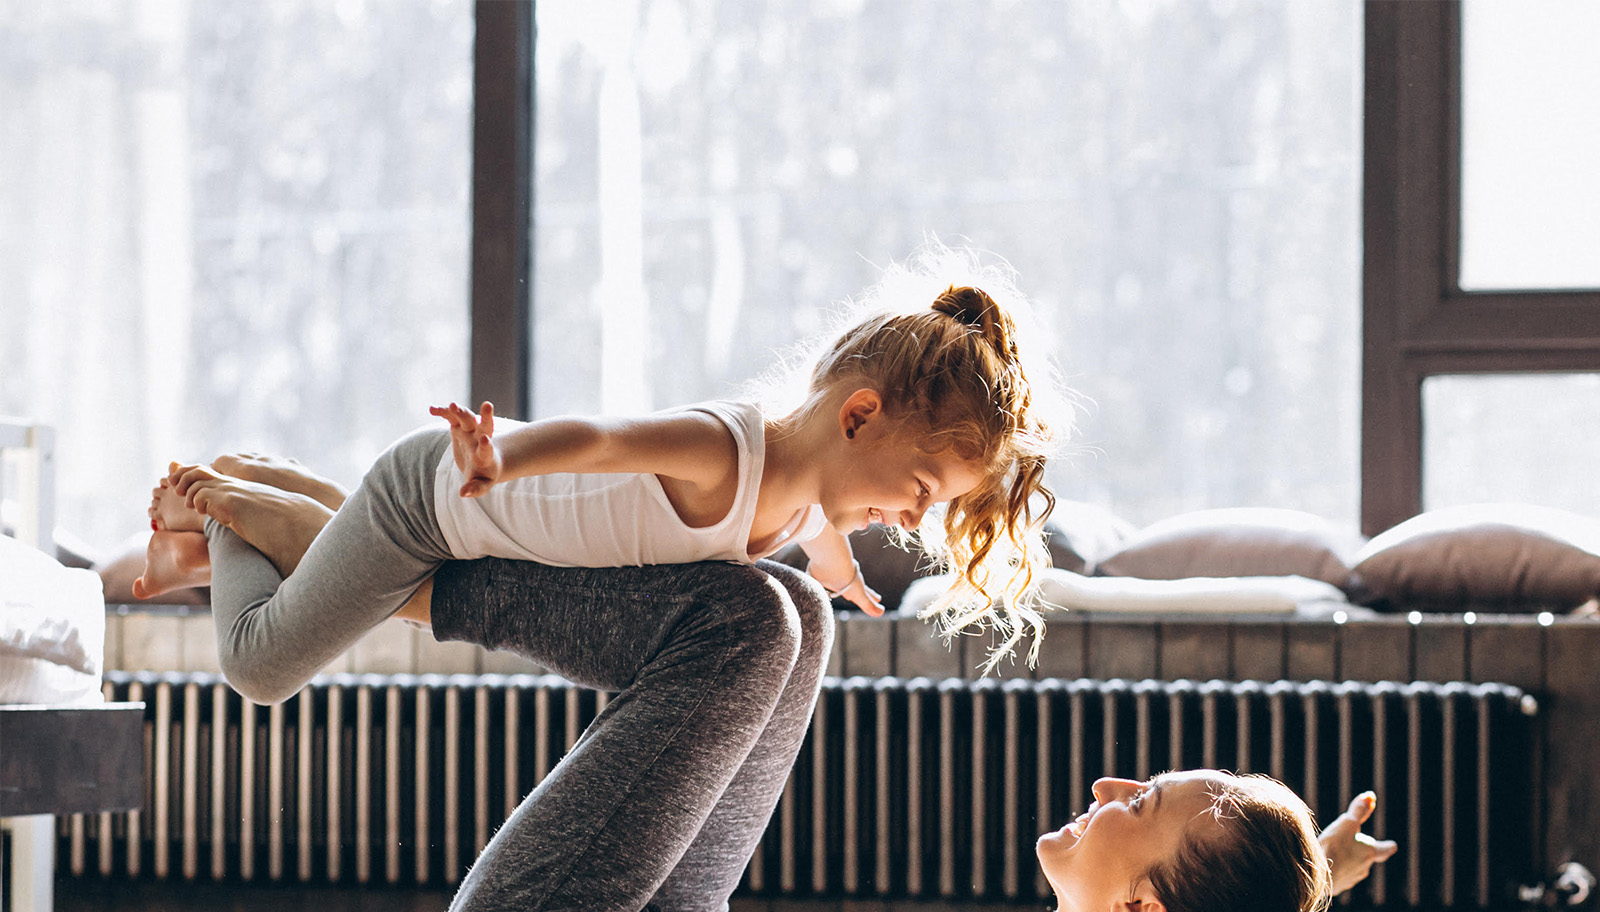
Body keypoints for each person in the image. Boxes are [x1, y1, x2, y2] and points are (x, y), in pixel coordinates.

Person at [155, 465, 1429, 912]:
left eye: (1137, 800)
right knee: (797, 613)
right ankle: (370, 567)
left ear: (1142, 906)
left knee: (742, 620)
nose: (1107, 787)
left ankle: (379, 569)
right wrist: (1306, 878)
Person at [132, 260, 1063, 707]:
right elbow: (600, 437)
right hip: (439, 500)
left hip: (472, 532)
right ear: (857, 417)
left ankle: (257, 478)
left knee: (367, 581)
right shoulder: (726, 449)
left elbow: (823, 525)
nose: (913, 516)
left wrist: (841, 568)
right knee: (258, 667)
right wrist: (504, 457)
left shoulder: (807, 503)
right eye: (922, 486)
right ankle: (224, 515)